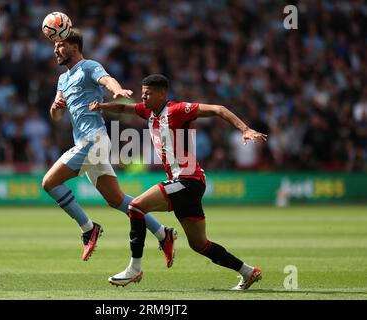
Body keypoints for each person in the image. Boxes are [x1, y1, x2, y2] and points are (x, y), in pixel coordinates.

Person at [89, 74, 268, 290]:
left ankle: (134, 268)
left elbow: (219, 109)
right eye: (143, 93)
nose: (143, 98)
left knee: (135, 206)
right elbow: (124, 109)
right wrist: (102, 106)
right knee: (199, 244)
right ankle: (248, 272)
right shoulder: (148, 112)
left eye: (148, 94)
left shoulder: (177, 110)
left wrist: (245, 129)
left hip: (188, 179)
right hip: (185, 182)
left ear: (162, 94)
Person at [42, 29, 177, 265]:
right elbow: (55, 116)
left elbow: (106, 79)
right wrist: (56, 106)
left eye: (60, 45)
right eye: (54, 46)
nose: (55, 49)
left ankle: (88, 229)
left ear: (74, 47)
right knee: (117, 200)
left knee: (50, 183)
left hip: (93, 141)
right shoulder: (63, 79)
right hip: (88, 143)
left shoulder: (88, 66)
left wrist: (116, 90)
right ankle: (162, 233)